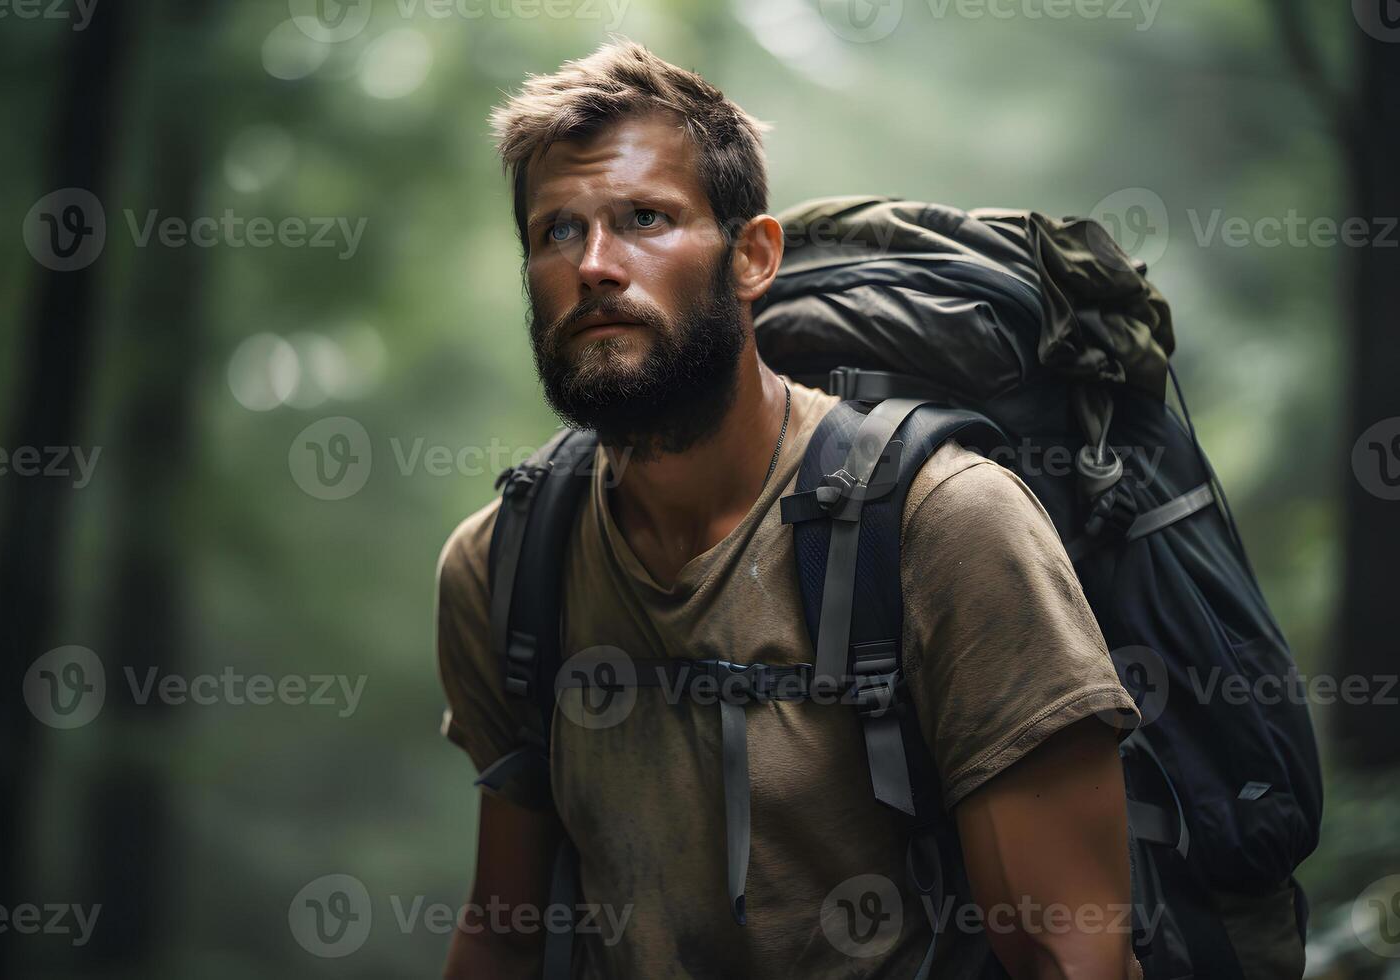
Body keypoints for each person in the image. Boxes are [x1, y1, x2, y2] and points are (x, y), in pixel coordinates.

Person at [434, 37, 1143, 979]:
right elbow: (501, 937)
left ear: (751, 257)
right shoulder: (506, 565)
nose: (595, 264)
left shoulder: (948, 525)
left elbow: (1072, 958)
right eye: (556, 231)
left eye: (646, 217)